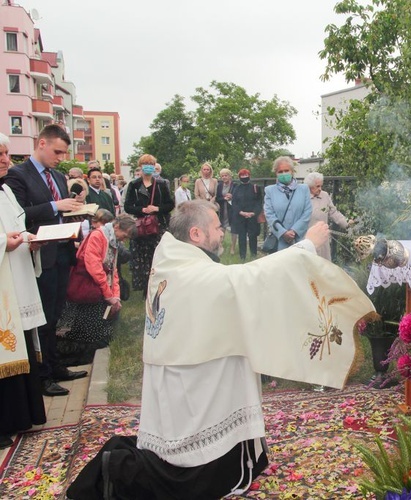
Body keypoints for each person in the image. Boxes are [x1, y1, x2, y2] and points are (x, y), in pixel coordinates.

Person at [66, 200, 374, 499]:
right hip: (191, 377)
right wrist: (306, 245)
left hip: (184, 366)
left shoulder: (174, 260)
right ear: (196, 234)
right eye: (216, 226)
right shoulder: (193, 272)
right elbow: (246, 279)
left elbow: (232, 285)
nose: (222, 231)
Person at [4, 124, 88, 397]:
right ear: (41, 143)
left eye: (64, 154)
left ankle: (55, 365)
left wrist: (75, 211)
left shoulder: (59, 177)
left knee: (55, 314)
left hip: (62, 251)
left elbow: (59, 214)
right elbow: (18, 215)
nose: (61, 158)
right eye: (57, 152)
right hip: (38, 255)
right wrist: (56, 206)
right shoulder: (17, 175)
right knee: (42, 318)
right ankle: (42, 375)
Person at [0, 132, 47, 449]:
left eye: (6, 153)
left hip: (15, 277)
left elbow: (17, 225)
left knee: (21, 348)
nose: (5, 159)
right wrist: (5, 243)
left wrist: (30, 241)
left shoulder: (5, 190)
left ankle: (22, 416)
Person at [59, 214, 136, 364]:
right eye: (124, 235)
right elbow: (95, 269)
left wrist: (116, 296)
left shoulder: (111, 240)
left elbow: (113, 271)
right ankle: (73, 358)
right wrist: (108, 295)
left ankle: (85, 356)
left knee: (99, 331)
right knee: (85, 331)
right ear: (117, 227)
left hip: (97, 291)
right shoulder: (97, 236)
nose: (123, 240)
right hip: (87, 290)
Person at [124, 154, 174, 295]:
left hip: (158, 226)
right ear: (140, 166)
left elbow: (170, 204)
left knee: (158, 256)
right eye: (145, 164)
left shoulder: (161, 185)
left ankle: (160, 285)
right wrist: (142, 209)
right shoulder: (134, 185)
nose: (148, 166)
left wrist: (157, 209)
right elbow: (128, 206)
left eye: (151, 164)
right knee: (142, 257)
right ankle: (145, 288)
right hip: (141, 227)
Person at [263, 156, 312, 251]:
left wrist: (294, 230)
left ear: (292, 171)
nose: (283, 173)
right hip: (279, 241)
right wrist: (283, 232)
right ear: (276, 173)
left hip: (299, 239)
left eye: (286, 170)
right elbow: (269, 214)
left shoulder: (304, 189)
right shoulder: (269, 191)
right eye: (280, 172)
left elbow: (307, 212)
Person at [304, 172, 352, 261]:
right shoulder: (303, 197)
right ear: (310, 186)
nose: (320, 189)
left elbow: (333, 212)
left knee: (324, 265)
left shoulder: (324, 195)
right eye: (317, 186)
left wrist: (346, 223)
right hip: (308, 240)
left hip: (323, 239)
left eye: (321, 186)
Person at [231, 168, 263, 261]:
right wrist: (241, 212)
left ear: (249, 176)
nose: (244, 177)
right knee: (242, 237)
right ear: (239, 177)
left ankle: (253, 256)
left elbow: (259, 202)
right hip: (240, 217)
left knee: (253, 237)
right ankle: (242, 257)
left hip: (252, 217)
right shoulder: (236, 188)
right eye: (242, 176)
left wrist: (253, 213)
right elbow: (234, 203)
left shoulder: (255, 187)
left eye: (246, 175)